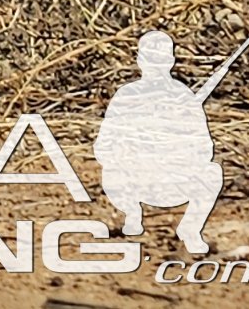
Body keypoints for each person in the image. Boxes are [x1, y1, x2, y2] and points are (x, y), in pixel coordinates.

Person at [95, 28, 229, 256]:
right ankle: (132, 214)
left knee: (212, 172)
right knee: (111, 171)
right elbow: (103, 148)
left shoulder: (184, 97)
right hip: (135, 180)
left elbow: (204, 149)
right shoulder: (127, 96)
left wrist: (174, 149)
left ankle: (190, 229)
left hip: (174, 181)